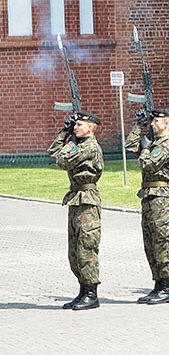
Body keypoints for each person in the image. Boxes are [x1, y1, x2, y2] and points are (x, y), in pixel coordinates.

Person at [48, 111, 104, 311]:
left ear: (91, 128)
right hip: (76, 199)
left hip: (87, 201)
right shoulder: (78, 144)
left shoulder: (89, 147)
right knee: (75, 251)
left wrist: (70, 141)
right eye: (74, 125)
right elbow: (53, 151)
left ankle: (91, 294)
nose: (76, 127)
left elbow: (62, 161)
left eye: (79, 125)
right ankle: (82, 290)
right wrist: (64, 132)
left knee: (86, 249)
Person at [125, 108, 169, 305]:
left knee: (161, 242)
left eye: (156, 121)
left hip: (160, 198)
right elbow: (130, 146)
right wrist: (139, 126)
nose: (153, 124)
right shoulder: (154, 143)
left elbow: (146, 165)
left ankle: (167, 287)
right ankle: (158, 284)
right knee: (150, 242)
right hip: (148, 196)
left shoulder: (165, 146)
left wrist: (146, 148)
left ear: (167, 123)